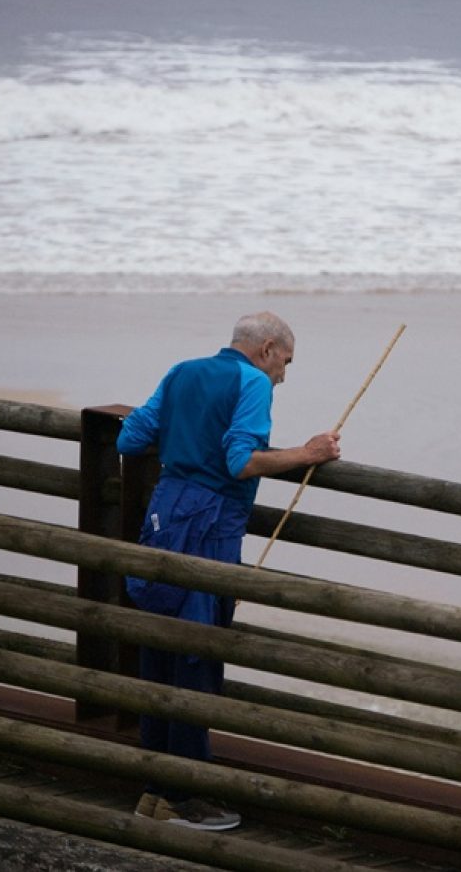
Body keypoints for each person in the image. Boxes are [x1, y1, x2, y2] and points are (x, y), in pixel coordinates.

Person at [116, 311, 341, 831]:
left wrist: (188, 440)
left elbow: (130, 439)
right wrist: (307, 453)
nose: (284, 374)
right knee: (198, 653)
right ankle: (186, 798)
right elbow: (242, 460)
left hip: (163, 510)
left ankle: (155, 789)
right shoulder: (253, 382)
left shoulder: (181, 371)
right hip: (211, 521)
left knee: (160, 647)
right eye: (285, 362)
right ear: (266, 349)